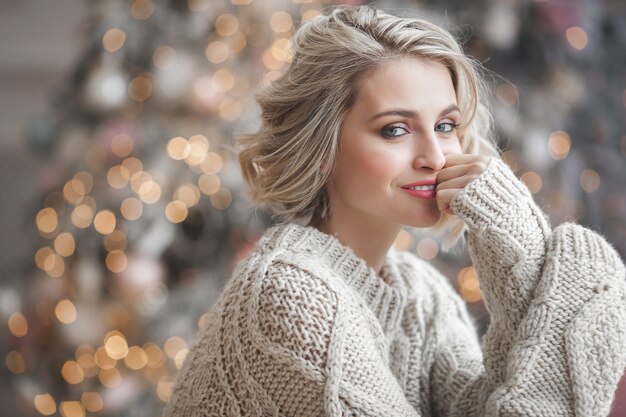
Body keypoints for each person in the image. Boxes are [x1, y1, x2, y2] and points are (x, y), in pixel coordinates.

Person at [162, 5, 626, 416]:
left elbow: (499, 402)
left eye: (445, 125)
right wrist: (574, 293)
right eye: (395, 130)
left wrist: (516, 243)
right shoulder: (288, 292)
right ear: (324, 147)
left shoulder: (422, 292)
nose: (435, 155)